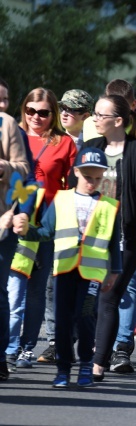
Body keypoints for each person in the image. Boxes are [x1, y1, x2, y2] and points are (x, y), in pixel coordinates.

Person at [15, 147, 122, 387]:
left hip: (92, 274)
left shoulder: (109, 205)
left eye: (97, 178)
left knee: (85, 319)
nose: (92, 182)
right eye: (87, 177)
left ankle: (86, 366)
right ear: (76, 172)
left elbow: (113, 243)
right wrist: (26, 232)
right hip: (64, 271)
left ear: (103, 176)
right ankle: (63, 369)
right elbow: (45, 232)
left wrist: (114, 271)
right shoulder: (62, 199)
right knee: (62, 322)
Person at [76, 94, 136, 380]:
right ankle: (89, 352)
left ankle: (99, 362)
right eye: (95, 114)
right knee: (87, 300)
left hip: (124, 240)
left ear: (118, 120)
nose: (95, 119)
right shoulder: (90, 149)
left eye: (101, 115)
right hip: (89, 237)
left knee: (109, 297)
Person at [12, 88, 77, 369]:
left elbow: (73, 188)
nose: (36, 117)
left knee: (36, 290)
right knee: (12, 288)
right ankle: (9, 346)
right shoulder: (13, 135)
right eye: (30, 110)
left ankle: (27, 348)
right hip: (10, 220)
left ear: (53, 115)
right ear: (23, 110)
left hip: (45, 226)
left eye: (43, 112)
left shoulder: (64, 143)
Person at [0, 110, 30, 381]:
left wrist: (5, 167)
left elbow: (25, 172)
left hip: (3, 219)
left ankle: (2, 356)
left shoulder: (7, 124)